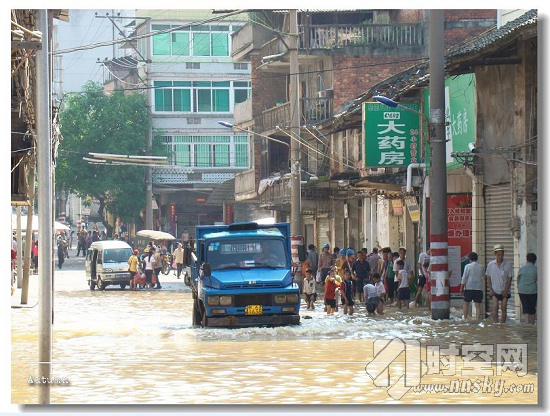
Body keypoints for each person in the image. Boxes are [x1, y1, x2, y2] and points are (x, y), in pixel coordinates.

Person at [486, 244, 513, 323]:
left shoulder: (508, 264)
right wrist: (490, 289)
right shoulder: (491, 264)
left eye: (502, 254)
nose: (500, 256)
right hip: (494, 290)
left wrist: (506, 290)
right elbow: (488, 277)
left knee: (504, 308)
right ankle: (495, 324)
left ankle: (503, 324)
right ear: (495, 254)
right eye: (498, 255)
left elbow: (509, 278)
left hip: (505, 290)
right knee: (495, 307)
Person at [460, 252, 484, 320]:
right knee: (478, 306)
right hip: (478, 288)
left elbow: (464, 277)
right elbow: (482, 277)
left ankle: (465, 318)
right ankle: (478, 319)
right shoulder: (481, 267)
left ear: (469, 259)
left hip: (469, 288)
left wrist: (462, 287)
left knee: (466, 303)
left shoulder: (467, 266)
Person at [517, 252, 537, 324]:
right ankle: (531, 323)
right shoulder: (536, 269)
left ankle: (526, 323)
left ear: (527, 260)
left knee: (525, 307)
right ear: (534, 261)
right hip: (532, 291)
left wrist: (519, 288)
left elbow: (518, 280)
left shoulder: (522, 269)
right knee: (532, 307)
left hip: (522, 290)